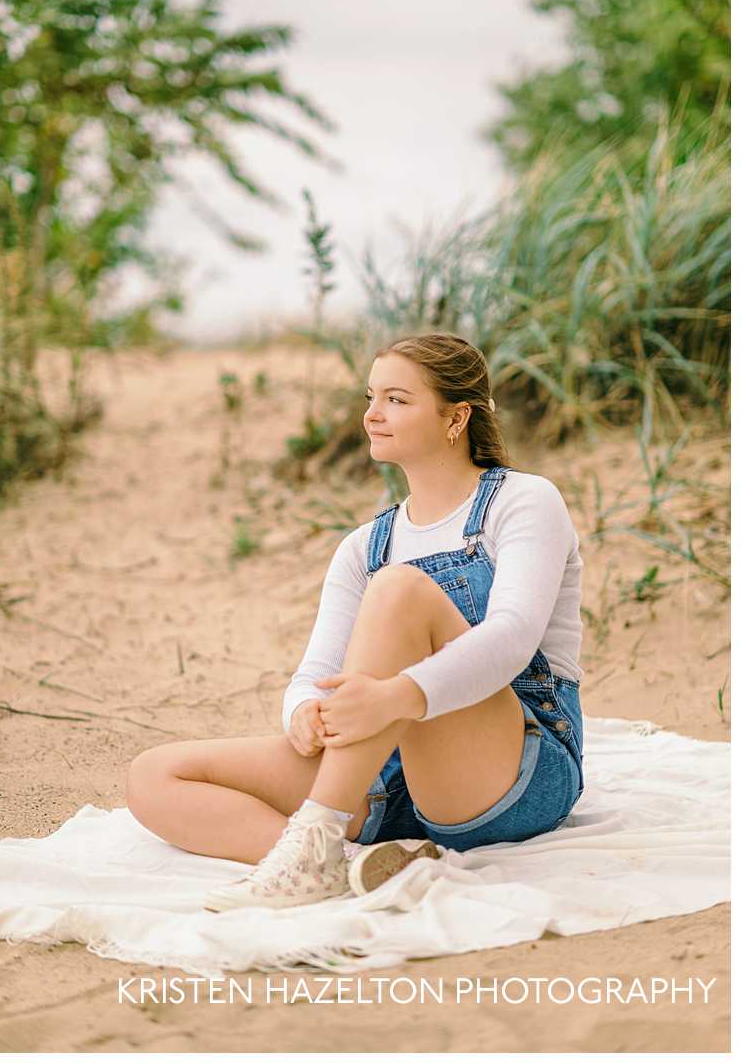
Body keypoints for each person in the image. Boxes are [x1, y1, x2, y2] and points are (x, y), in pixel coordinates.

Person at [125, 331, 584, 910]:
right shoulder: (366, 545)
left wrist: (397, 696)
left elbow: (512, 639)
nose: (371, 415)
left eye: (396, 399)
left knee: (399, 591)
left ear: (456, 417)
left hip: (514, 766)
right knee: (157, 775)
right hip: (390, 777)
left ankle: (318, 828)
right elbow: (314, 672)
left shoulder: (523, 500)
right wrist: (305, 714)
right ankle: (344, 864)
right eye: (371, 397)